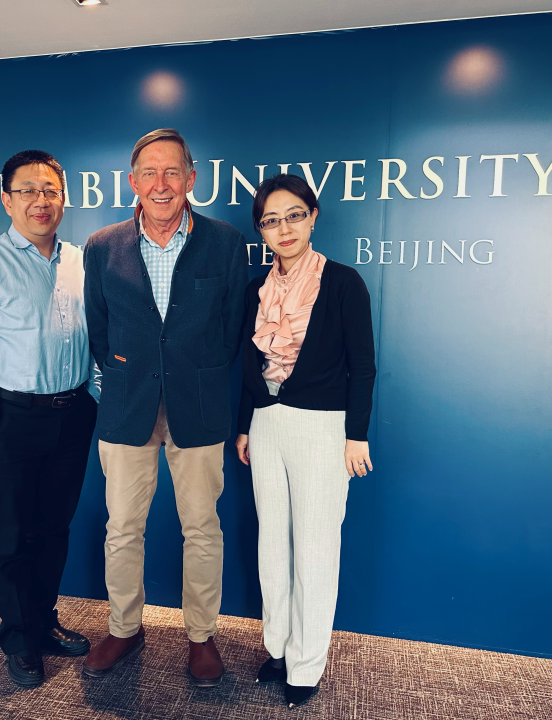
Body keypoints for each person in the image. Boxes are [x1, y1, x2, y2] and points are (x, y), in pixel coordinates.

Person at [82, 129, 248, 686]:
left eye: (172, 172)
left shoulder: (225, 243)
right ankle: (124, 628)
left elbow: (231, 332)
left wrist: (192, 370)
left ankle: (201, 636)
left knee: (201, 527)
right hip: (127, 405)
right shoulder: (102, 246)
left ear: (191, 179)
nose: (161, 184)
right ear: (132, 182)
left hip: (198, 405)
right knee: (123, 528)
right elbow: (99, 331)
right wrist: (128, 369)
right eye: (149, 173)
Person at [0, 150, 99, 688]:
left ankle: (43, 620)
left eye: (50, 190)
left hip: (72, 414)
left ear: (64, 198)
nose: (41, 200)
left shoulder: (82, 261)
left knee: (52, 528)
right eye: (28, 190)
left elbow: (96, 336)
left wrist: (94, 395)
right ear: (7, 199)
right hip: (10, 416)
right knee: (9, 535)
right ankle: (18, 637)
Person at [235, 174, 376, 708]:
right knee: (272, 543)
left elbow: (363, 367)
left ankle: (307, 663)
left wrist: (356, 435)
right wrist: (245, 424)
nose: (284, 228)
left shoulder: (342, 282)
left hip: (323, 428)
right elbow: (248, 366)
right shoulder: (255, 289)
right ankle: (277, 648)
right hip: (266, 424)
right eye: (271, 220)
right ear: (261, 231)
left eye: (294, 215)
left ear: (313, 216)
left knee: (315, 548)